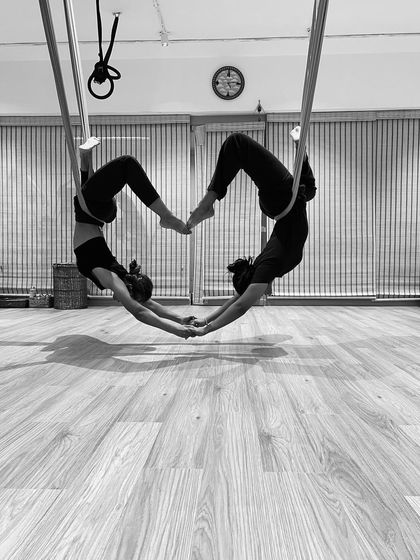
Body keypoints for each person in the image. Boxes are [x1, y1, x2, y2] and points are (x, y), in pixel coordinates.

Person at [186, 126, 316, 335]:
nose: (256, 295)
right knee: (308, 190)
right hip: (287, 203)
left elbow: (239, 304)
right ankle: (301, 148)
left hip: (282, 201)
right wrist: (205, 322)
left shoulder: (266, 267)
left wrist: (206, 327)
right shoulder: (264, 267)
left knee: (237, 143)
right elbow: (239, 300)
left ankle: (208, 203)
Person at [73, 137, 197, 339]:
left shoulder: (124, 278)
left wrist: (180, 320)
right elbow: (139, 310)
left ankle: (85, 159)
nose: (121, 301)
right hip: (93, 212)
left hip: (96, 212)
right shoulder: (113, 278)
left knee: (88, 192)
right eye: (128, 298)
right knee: (126, 164)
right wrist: (178, 329)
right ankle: (165, 216)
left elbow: (146, 302)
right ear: (129, 290)